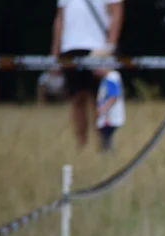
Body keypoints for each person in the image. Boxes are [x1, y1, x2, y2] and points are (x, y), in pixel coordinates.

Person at [51, 0, 124, 148]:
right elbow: (60, 18)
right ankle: (81, 145)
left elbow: (117, 12)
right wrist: (55, 52)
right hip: (70, 48)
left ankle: (104, 143)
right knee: (77, 99)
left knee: (100, 98)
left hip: (98, 48)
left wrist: (110, 46)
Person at [95, 59, 125, 152]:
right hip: (109, 115)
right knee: (106, 138)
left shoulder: (110, 78)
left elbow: (113, 96)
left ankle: (107, 154)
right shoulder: (109, 77)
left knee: (106, 138)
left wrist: (102, 109)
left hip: (109, 116)